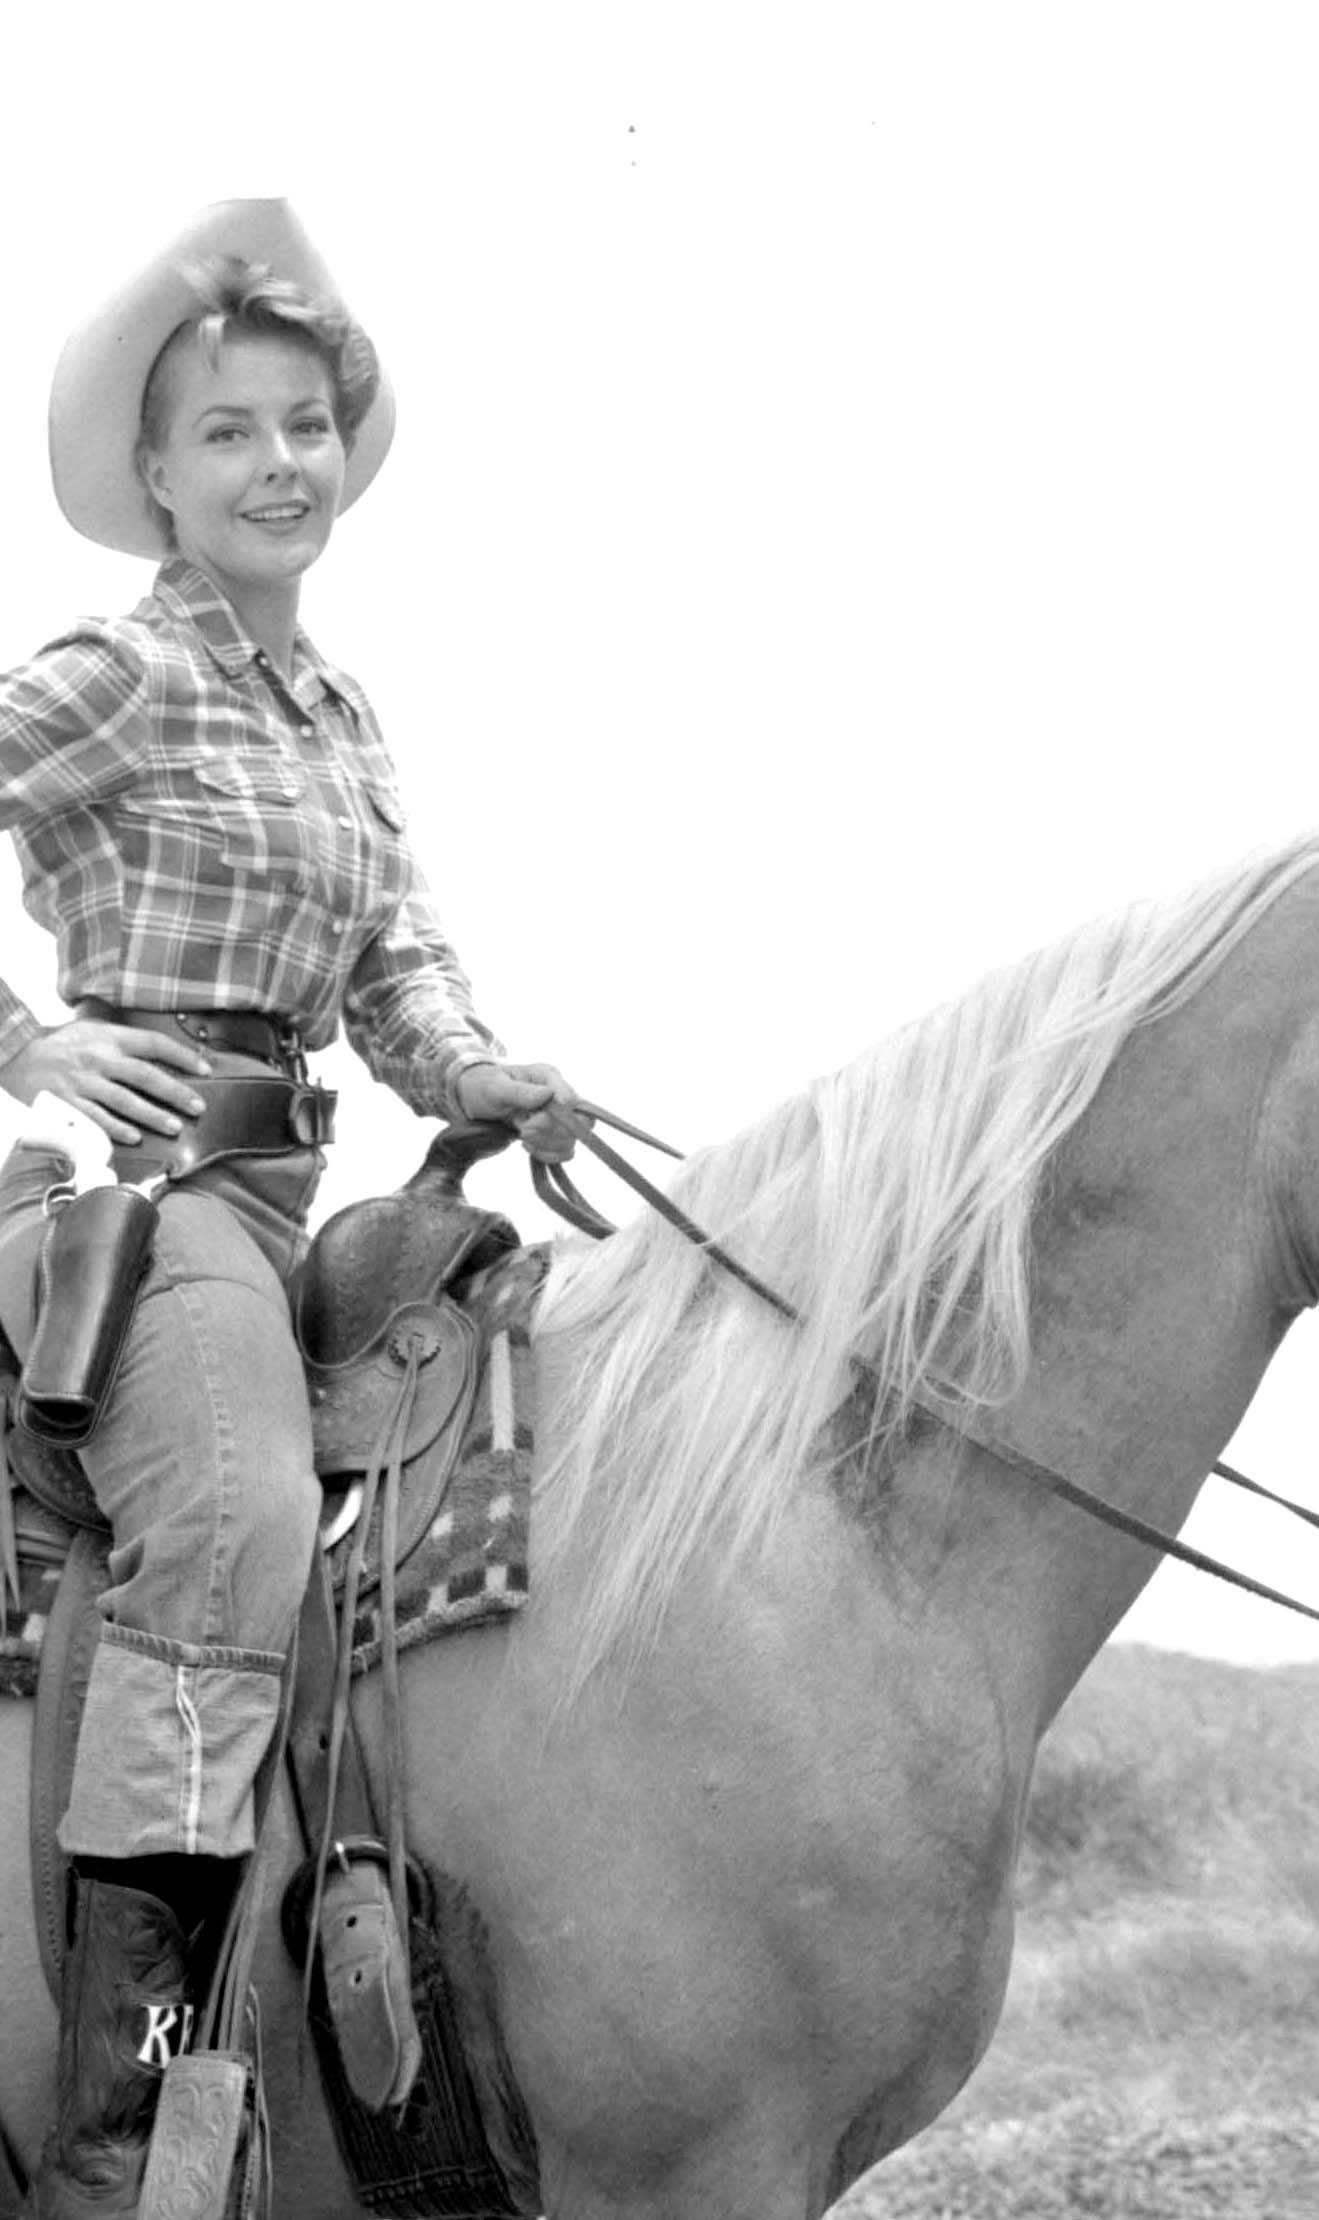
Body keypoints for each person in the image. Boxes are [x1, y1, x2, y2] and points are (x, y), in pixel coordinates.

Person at [0, 200, 580, 2217]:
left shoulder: (338, 716)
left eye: (304, 426)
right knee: (240, 1517)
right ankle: (125, 2128)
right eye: (228, 433)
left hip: (295, 1181)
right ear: (155, 477)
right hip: (147, 1195)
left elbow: (398, 971)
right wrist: (26, 1043)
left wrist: (480, 1064)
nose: (277, 466)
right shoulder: (116, 669)